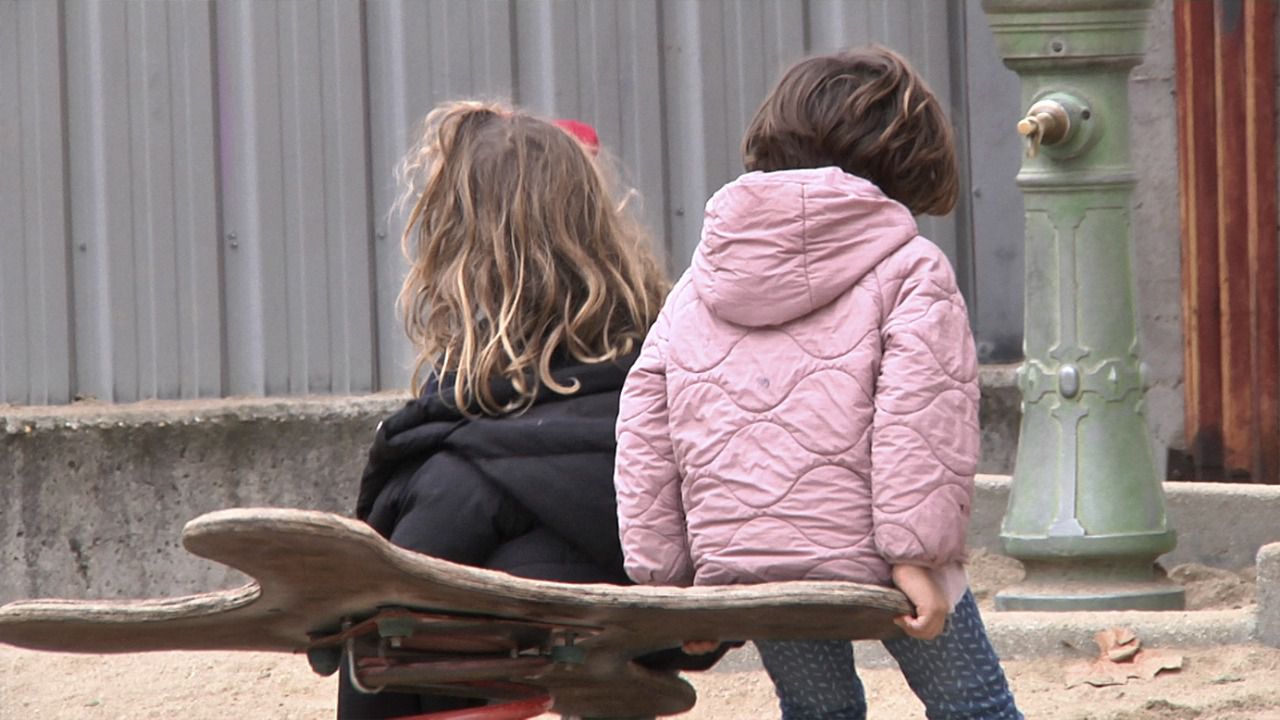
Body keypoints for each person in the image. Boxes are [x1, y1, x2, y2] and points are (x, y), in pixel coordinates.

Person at [613, 47, 1022, 720]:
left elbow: (645, 430)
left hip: (752, 569)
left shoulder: (697, 286)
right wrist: (915, 556)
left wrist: (670, 582)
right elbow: (920, 418)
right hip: (883, 563)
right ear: (908, 158)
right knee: (974, 705)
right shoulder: (912, 268)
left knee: (817, 710)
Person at [339, 101, 718, 718]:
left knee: (395, 613)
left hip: (543, 611)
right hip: (654, 605)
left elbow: (409, 562)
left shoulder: (472, 406)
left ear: (470, 243)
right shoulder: (663, 332)